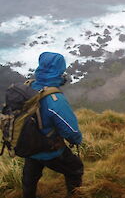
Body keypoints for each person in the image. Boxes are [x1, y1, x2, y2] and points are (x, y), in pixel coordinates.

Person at [22, 52, 83, 198]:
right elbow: (70, 129)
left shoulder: (28, 87)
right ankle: (74, 195)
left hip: (29, 145)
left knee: (30, 176)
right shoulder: (54, 99)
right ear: (59, 71)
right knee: (75, 169)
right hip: (49, 149)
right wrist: (76, 140)